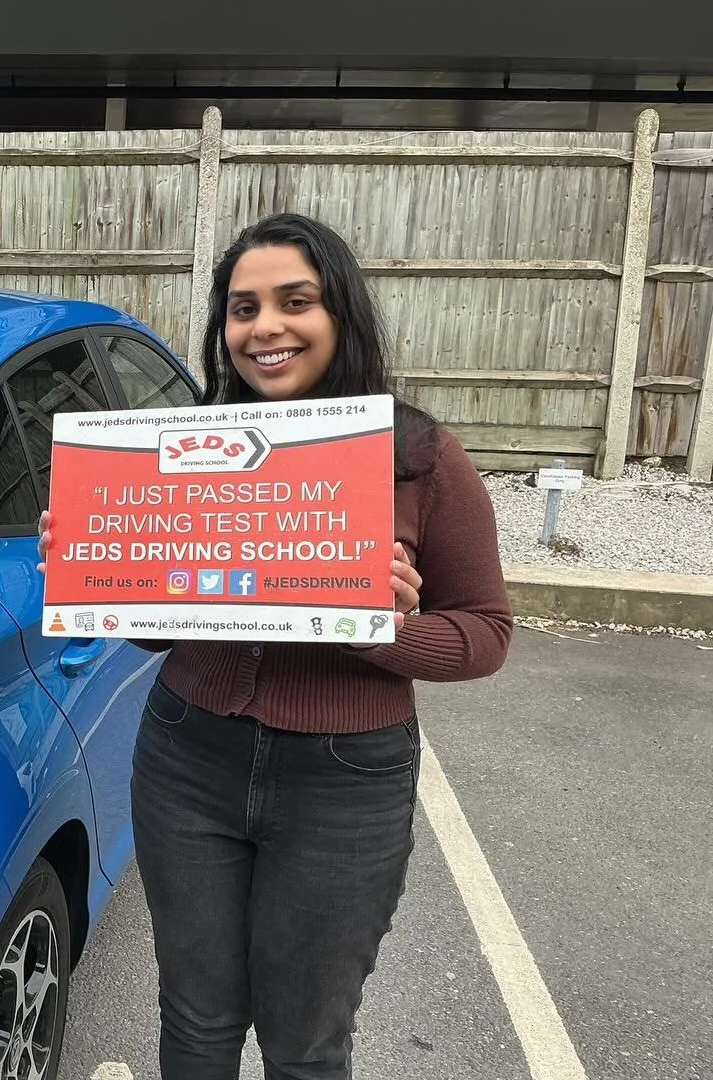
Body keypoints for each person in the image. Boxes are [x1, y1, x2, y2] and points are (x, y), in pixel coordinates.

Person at [36, 212, 512, 1079]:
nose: (267, 327)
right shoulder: (182, 449)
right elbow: (157, 627)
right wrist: (98, 569)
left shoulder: (419, 458)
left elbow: (485, 632)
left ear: (342, 315)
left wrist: (386, 631)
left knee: (305, 1044)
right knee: (194, 1022)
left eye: (296, 301)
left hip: (345, 783)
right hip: (189, 757)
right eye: (243, 308)